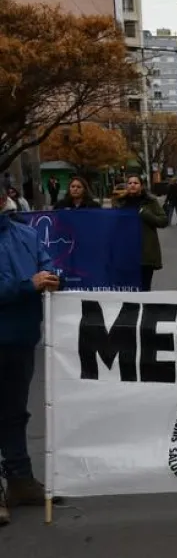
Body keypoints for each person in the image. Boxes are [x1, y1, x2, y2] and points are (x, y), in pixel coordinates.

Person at [0, 187, 60, 526]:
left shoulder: (26, 233)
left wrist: (53, 279)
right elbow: (28, 281)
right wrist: (29, 284)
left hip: (22, 338)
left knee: (15, 413)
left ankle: (21, 481)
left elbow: (46, 266)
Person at [113, 175, 167, 292]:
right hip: (126, 252)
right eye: (130, 183)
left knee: (144, 288)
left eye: (136, 183)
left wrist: (145, 214)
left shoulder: (150, 202)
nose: (132, 185)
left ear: (141, 186)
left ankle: (144, 309)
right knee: (128, 287)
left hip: (145, 253)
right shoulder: (120, 203)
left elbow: (163, 221)